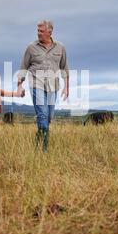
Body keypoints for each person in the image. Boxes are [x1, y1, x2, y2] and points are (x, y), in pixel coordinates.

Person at [17, 20, 69, 152]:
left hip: (53, 86)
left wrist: (66, 87)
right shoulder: (31, 47)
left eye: (41, 31)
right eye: (38, 31)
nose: (38, 33)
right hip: (36, 84)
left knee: (49, 117)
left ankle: (39, 141)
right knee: (43, 114)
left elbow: (64, 68)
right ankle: (43, 150)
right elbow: (23, 67)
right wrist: (19, 86)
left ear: (49, 32)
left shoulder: (60, 47)